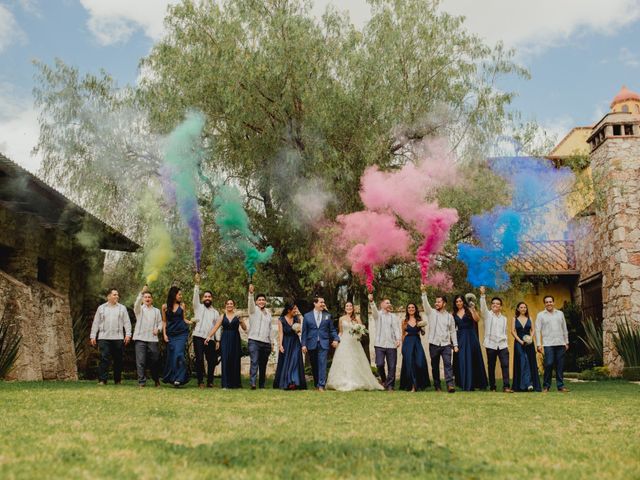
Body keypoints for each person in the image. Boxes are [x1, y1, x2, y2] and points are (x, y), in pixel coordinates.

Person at [326, 301, 384, 391]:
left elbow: (361, 331)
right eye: (347, 306)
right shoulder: (341, 319)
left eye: (350, 306)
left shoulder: (357, 318)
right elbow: (341, 332)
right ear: (345, 308)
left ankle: (358, 381)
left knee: (356, 361)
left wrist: (358, 332)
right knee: (344, 361)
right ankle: (343, 381)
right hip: (344, 343)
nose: (349, 307)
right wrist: (336, 340)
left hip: (354, 343)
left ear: (353, 308)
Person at [90, 288, 131, 385]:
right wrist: (93, 336)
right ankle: (102, 380)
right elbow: (96, 323)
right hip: (104, 337)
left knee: (118, 360)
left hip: (118, 338)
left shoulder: (122, 308)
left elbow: (127, 322)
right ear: (108, 296)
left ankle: (117, 380)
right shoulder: (101, 308)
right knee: (104, 358)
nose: (117, 296)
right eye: (114, 294)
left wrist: (128, 335)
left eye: (117, 295)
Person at [421, 285, 458, 393]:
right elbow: (425, 304)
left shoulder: (450, 317)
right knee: (435, 366)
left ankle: (450, 385)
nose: (436, 303)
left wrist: (455, 345)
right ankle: (437, 386)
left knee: (448, 365)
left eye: (439, 302)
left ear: (444, 303)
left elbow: (453, 331)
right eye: (436, 302)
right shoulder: (431, 312)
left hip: (446, 344)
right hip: (434, 344)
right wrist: (424, 292)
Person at [206, 299, 247, 389]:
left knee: (235, 360)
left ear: (234, 305)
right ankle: (225, 384)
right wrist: (209, 337)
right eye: (228, 303)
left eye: (231, 304)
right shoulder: (222, 316)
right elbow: (215, 327)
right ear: (225, 305)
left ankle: (236, 384)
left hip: (235, 339)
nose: (229, 305)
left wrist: (241, 320)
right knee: (225, 360)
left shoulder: (237, 316)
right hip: (225, 339)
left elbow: (244, 328)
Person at [301, 296, 339, 391]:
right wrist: (303, 344)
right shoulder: (307, 316)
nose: (323, 304)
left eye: (323, 302)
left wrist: (336, 339)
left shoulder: (327, 316)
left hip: (324, 343)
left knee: (322, 363)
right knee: (314, 365)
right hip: (311, 343)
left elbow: (332, 330)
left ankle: (321, 385)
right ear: (315, 303)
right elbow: (304, 332)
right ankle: (317, 384)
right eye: (321, 302)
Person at [479, 286, 513, 393]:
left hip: (503, 345)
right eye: (493, 303)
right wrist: (482, 295)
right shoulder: (488, 315)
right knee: (491, 366)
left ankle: (506, 387)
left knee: (505, 365)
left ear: (501, 306)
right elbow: (483, 308)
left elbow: (505, 331)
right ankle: (493, 387)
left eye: (497, 304)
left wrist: (506, 342)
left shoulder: (504, 318)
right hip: (491, 345)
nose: (495, 305)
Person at [452, 294, 488, 391]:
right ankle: (464, 382)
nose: (459, 303)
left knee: (473, 358)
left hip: (471, 336)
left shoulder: (469, 310)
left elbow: (477, 319)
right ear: (455, 303)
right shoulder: (454, 314)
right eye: (457, 301)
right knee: (462, 359)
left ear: (463, 301)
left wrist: (473, 309)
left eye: (460, 301)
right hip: (460, 337)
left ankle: (476, 383)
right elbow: (452, 328)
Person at [535, 295, 570, 393]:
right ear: (544, 304)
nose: (549, 303)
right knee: (549, 364)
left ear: (553, 303)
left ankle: (560, 386)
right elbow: (538, 330)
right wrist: (538, 344)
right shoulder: (541, 315)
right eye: (547, 302)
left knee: (560, 365)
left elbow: (564, 328)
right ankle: (546, 386)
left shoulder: (560, 314)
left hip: (560, 343)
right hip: (548, 344)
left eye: (550, 301)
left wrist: (566, 342)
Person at [192, 274, 221, 388]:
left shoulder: (215, 312)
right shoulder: (198, 307)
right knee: (199, 359)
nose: (207, 298)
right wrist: (197, 284)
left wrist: (218, 340)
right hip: (198, 337)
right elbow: (195, 297)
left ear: (212, 299)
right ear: (203, 298)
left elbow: (217, 327)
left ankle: (210, 381)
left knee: (212, 360)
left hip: (211, 339)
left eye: (209, 296)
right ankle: (200, 382)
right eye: (205, 296)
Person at [368, 293, 401, 391]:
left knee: (392, 366)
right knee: (380, 364)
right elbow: (373, 310)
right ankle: (384, 380)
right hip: (379, 345)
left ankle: (390, 386)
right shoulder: (377, 315)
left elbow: (396, 329)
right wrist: (371, 301)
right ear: (382, 305)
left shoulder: (393, 317)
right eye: (387, 303)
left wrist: (398, 339)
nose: (389, 304)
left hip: (391, 345)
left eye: (389, 303)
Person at [162, 286, 193, 387]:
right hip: (171, 334)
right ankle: (174, 378)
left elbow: (183, 319)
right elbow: (164, 321)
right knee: (172, 356)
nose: (181, 296)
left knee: (179, 354)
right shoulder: (165, 307)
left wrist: (191, 321)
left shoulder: (182, 305)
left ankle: (180, 378)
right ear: (173, 295)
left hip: (182, 333)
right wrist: (164, 334)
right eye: (179, 294)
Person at [132, 286, 162, 387]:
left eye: (149, 297)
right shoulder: (139, 309)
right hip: (140, 338)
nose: (147, 299)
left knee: (155, 360)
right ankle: (142, 382)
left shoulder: (156, 311)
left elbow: (160, 323)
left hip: (152, 339)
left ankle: (156, 379)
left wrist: (158, 329)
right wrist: (141, 293)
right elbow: (136, 304)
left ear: (152, 299)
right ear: (143, 299)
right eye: (145, 297)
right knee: (140, 361)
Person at [273, 302, 307, 390]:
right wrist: (280, 345)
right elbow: (280, 333)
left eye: (296, 308)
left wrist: (298, 331)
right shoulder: (281, 320)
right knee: (287, 362)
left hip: (295, 342)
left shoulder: (297, 318)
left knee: (295, 361)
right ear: (289, 310)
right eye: (294, 309)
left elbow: (300, 332)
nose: (296, 311)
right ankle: (288, 382)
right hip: (286, 342)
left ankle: (294, 381)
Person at [399, 303, 430, 392]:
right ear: (407, 309)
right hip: (407, 343)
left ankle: (420, 384)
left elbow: (423, 333)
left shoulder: (419, 320)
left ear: (415, 309)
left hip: (417, 342)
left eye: (412, 307)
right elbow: (403, 334)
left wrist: (422, 328)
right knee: (410, 365)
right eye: (409, 307)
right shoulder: (404, 321)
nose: (411, 309)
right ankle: (413, 386)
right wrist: (402, 347)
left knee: (420, 363)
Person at [247, 284, 273, 389]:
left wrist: (271, 342)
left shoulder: (269, 314)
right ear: (256, 302)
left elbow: (270, 329)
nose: (261, 301)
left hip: (266, 343)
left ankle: (262, 385)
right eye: (259, 300)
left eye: (263, 300)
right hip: (254, 341)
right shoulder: (253, 310)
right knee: (254, 361)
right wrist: (251, 293)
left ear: (265, 302)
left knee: (263, 365)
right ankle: (253, 383)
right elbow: (250, 303)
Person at [511, 302, 541, 392]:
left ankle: (530, 384)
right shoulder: (514, 319)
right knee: (522, 360)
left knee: (530, 361)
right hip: (518, 343)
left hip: (529, 343)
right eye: (521, 307)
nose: (523, 309)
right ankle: (523, 385)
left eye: (525, 307)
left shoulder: (530, 318)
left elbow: (533, 330)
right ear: (518, 309)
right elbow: (512, 331)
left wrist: (530, 338)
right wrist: (520, 341)